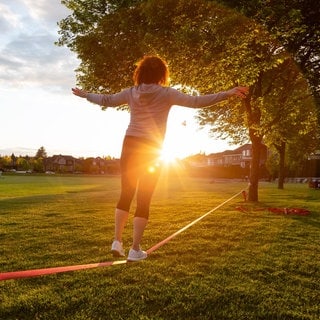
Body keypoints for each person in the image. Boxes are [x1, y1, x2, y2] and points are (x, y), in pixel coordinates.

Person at [72, 55, 248, 261]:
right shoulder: (167, 93)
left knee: (126, 193)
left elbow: (107, 100)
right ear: (162, 74)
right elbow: (197, 102)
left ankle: (117, 241)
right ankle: (135, 250)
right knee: (144, 197)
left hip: (129, 144)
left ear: (140, 73)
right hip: (151, 148)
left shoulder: (131, 92)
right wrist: (227, 93)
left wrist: (85, 95)